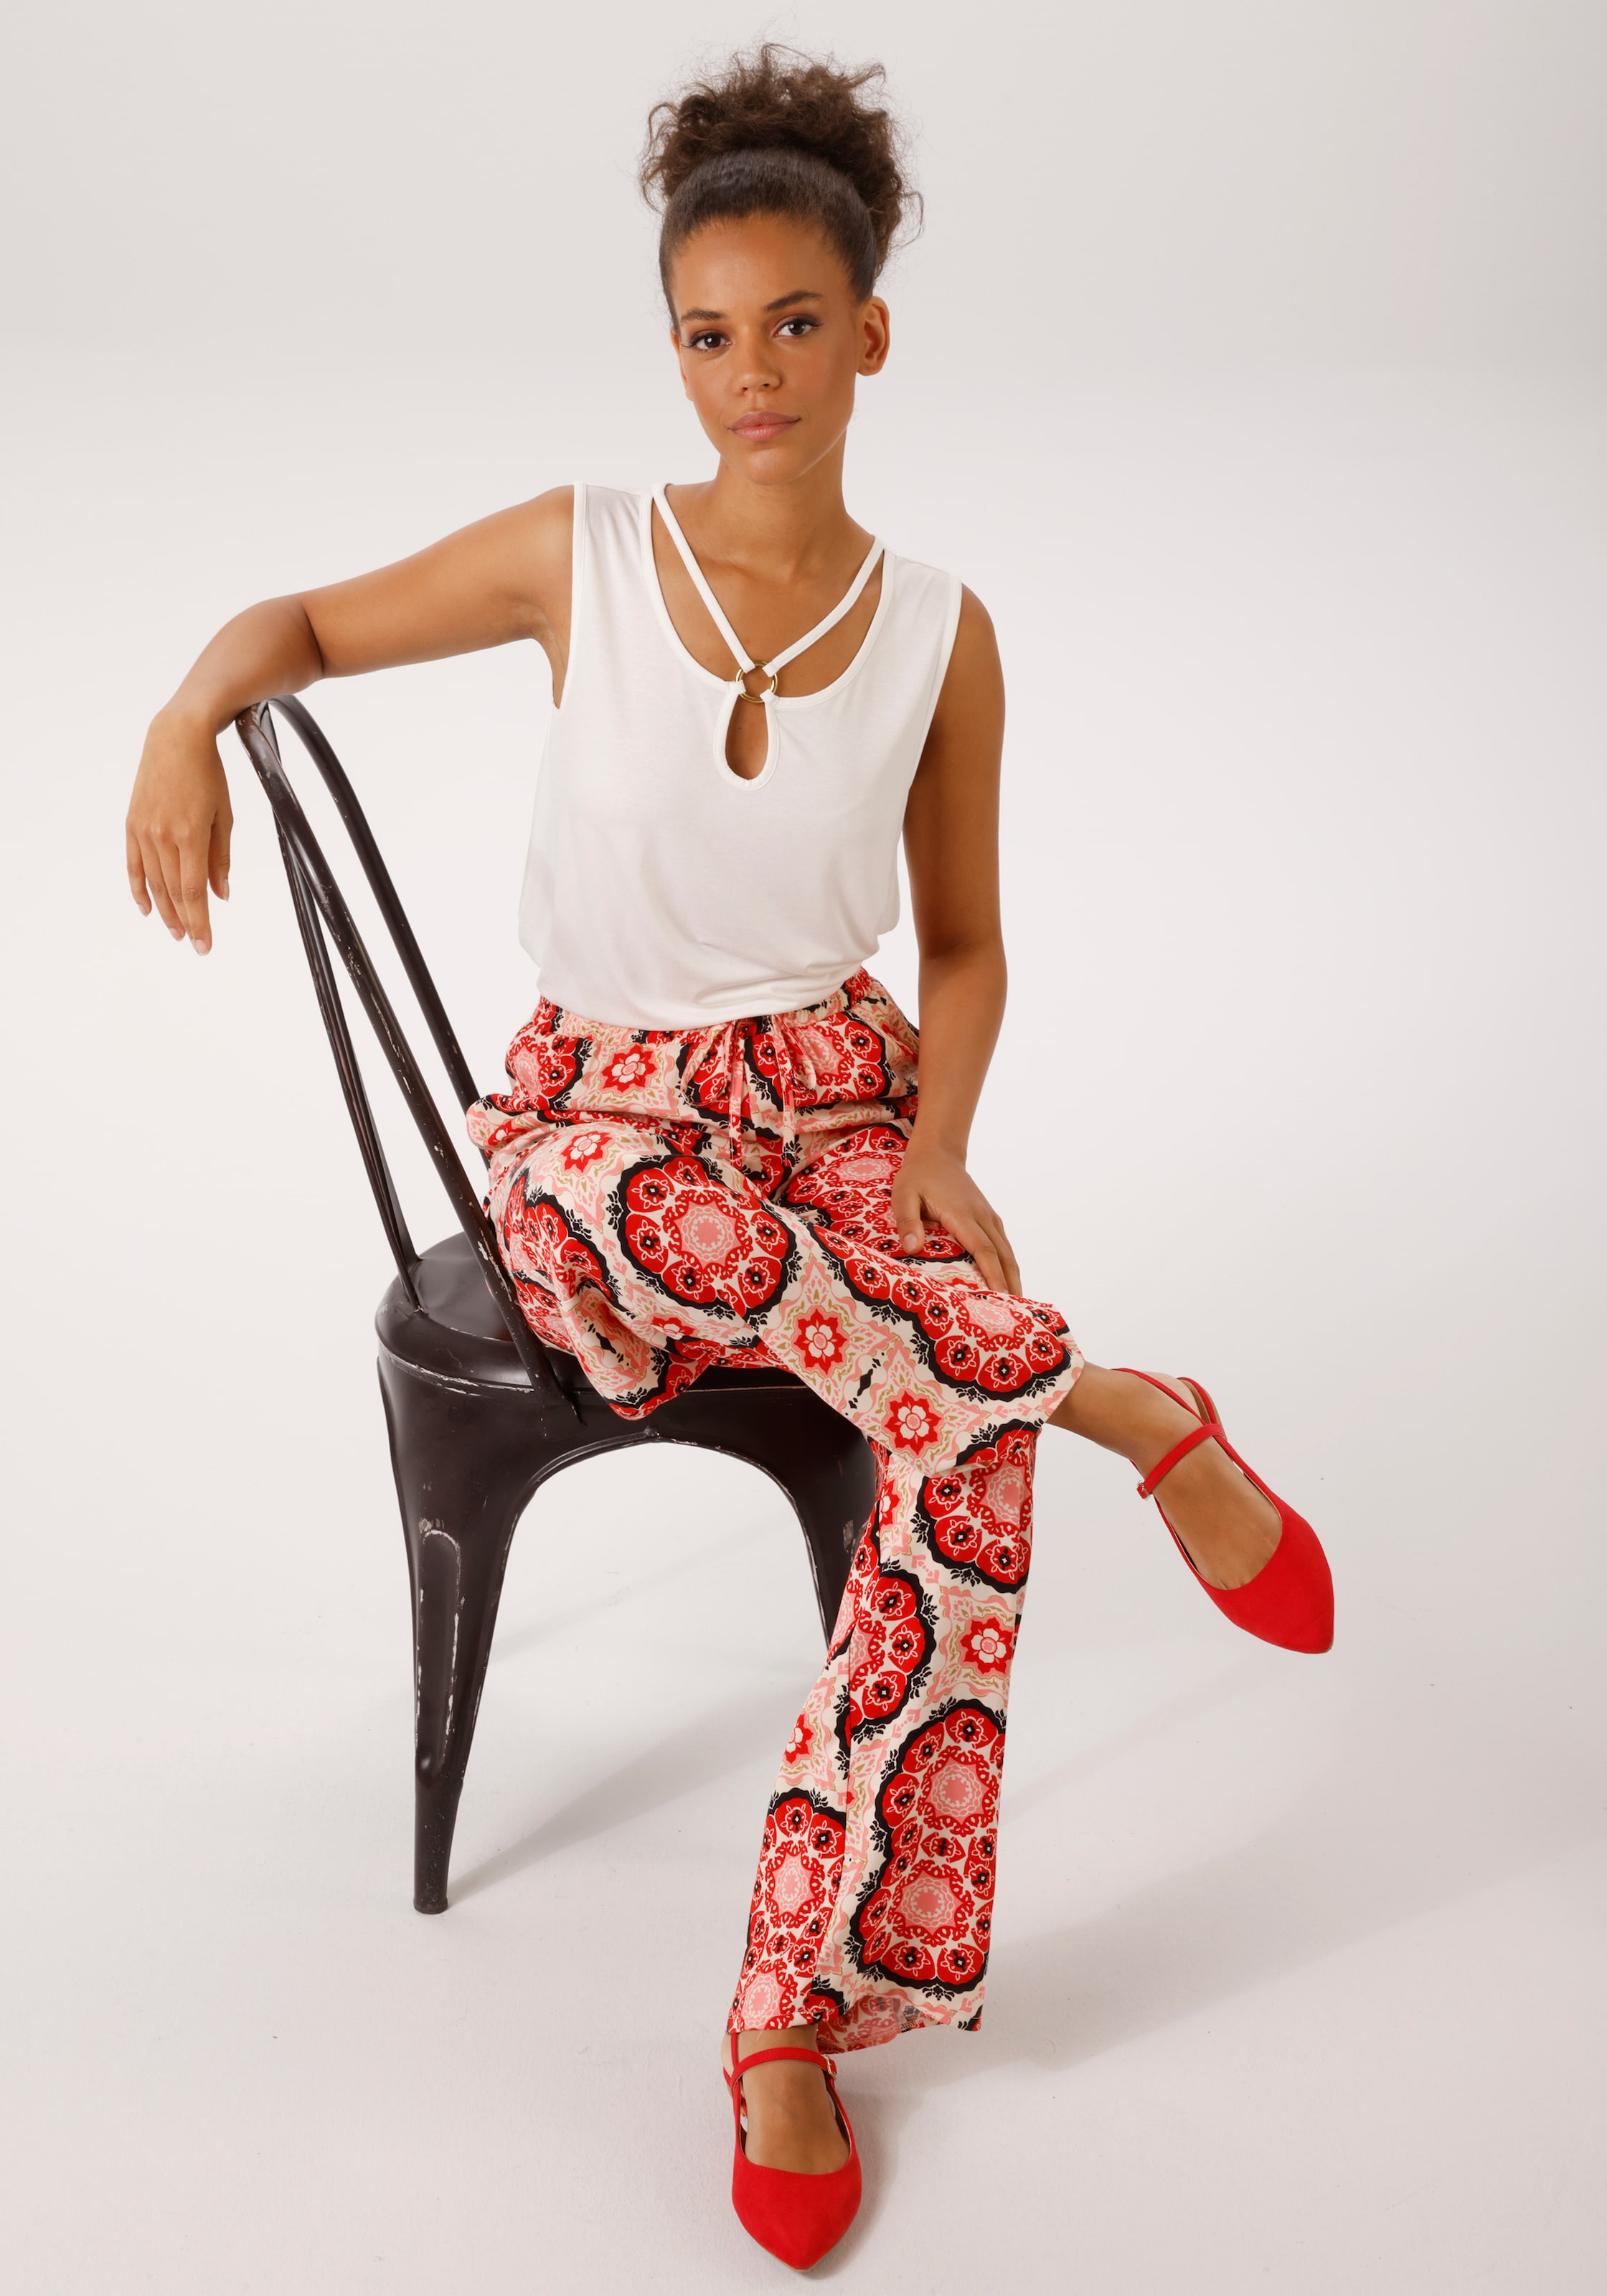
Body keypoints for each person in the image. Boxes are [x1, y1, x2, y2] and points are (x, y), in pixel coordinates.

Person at [124, 45, 1334, 2270]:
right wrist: (187, 715)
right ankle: (1114, 1402)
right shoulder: (576, 553)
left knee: (941, 1432)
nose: (748, 373)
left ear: (869, 334)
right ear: (668, 349)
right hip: (600, 1123)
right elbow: (297, 628)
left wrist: (940, 1143)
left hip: (839, 1099)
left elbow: (961, 947)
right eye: (704, 333)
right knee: (865, 1328)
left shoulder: (943, 634)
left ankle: (790, 2007)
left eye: (791, 324)